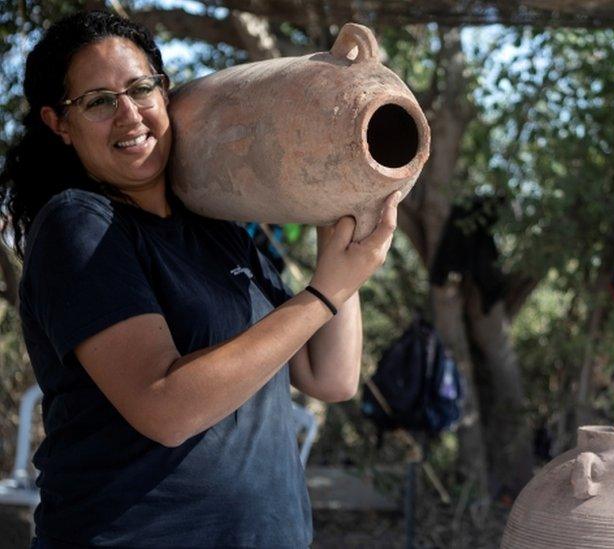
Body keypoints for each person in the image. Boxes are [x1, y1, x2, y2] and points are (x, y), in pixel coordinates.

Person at [0, 10, 398, 548]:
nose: (129, 116)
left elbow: (329, 376)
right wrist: (323, 293)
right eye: (98, 101)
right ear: (59, 124)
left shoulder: (219, 229)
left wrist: (338, 223)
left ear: (165, 93)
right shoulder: (80, 224)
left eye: (141, 89)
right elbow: (164, 406)